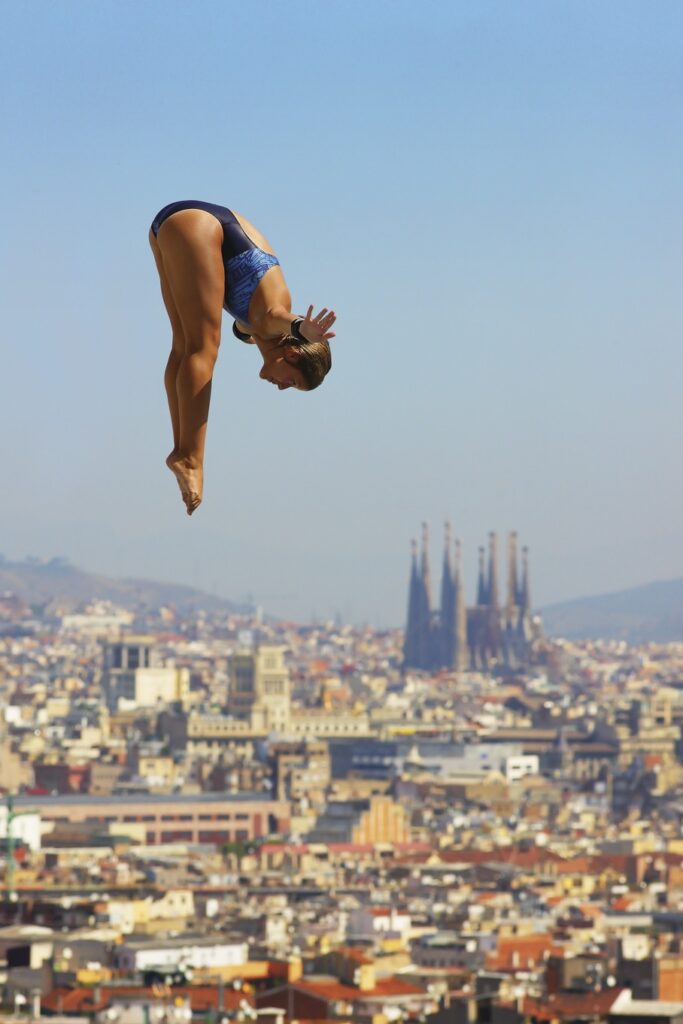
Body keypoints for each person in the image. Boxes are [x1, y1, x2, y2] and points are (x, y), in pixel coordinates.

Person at [149, 200, 336, 515]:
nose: (280, 386)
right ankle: (191, 458)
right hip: (202, 226)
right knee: (202, 347)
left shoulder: (254, 332)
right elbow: (278, 315)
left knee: (184, 347)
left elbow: (243, 326)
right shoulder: (271, 319)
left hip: (173, 225)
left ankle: (183, 451)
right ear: (291, 352)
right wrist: (301, 326)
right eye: (291, 381)